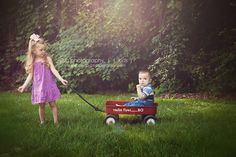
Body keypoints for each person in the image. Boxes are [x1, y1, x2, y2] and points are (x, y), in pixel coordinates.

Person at [18, 33, 68, 125]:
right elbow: (30, 75)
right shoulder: (33, 62)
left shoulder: (47, 59)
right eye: (41, 50)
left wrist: (61, 79)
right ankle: (42, 122)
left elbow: (54, 70)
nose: (43, 51)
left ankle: (56, 122)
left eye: (44, 49)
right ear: (33, 50)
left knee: (53, 104)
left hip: (49, 85)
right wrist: (24, 86)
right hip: (39, 87)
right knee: (41, 106)